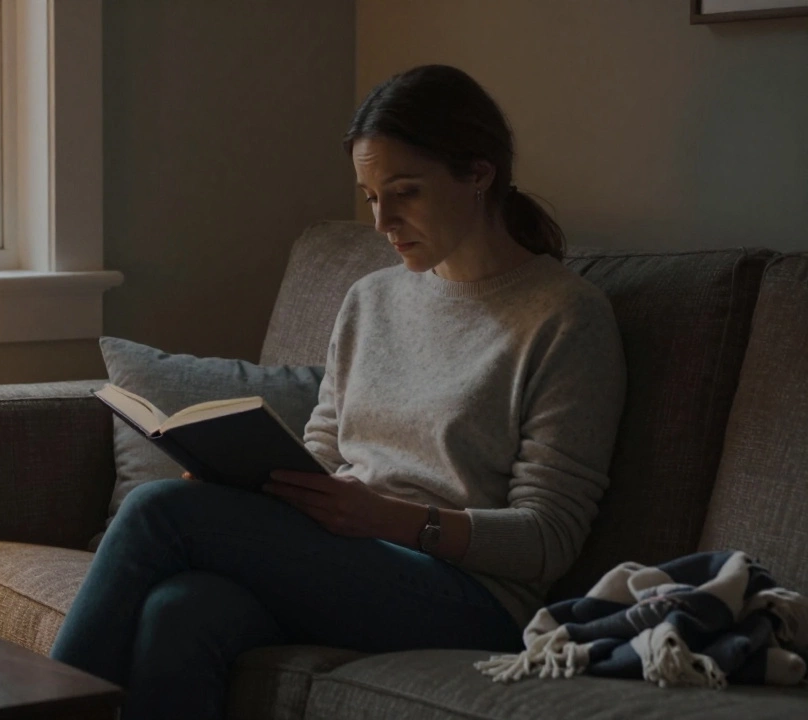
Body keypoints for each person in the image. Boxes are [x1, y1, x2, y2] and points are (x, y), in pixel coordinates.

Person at [50, 64, 627, 720]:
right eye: (371, 196)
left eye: (404, 192)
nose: (383, 220)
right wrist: (240, 484)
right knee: (180, 610)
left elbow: (548, 539)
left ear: (478, 173)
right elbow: (323, 448)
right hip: (352, 556)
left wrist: (391, 519)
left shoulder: (566, 316)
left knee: (159, 511)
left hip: (472, 598)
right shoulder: (372, 298)